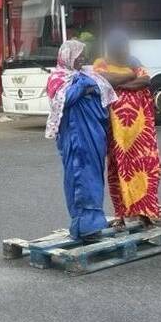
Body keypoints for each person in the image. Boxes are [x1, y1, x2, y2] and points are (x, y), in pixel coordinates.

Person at [45, 39, 117, 241]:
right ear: (67, 57)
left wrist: (86, 87)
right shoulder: (57, 78)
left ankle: (93, 224)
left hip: (95, 135)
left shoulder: (88, 75)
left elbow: (105, 96)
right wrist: (82, 88)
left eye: (84, 55)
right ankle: (84, 227)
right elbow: (63, 101)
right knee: (79, 179)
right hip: (76, 138)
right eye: (78, 56)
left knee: (94, 177)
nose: (83, 59)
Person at [93, 31, 161, 227]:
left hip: (142, 133)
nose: (126, 50)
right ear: (112, 48)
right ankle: (120, 215)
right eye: (122, 47)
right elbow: (104, 79)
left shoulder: (133, 60)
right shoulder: (102, 62)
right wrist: (130, 76)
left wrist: (123, 82)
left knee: (147, 168)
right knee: (118, 171)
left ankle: (145, 214)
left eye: (126, 46)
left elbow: (146, 80)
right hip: (117, 133)